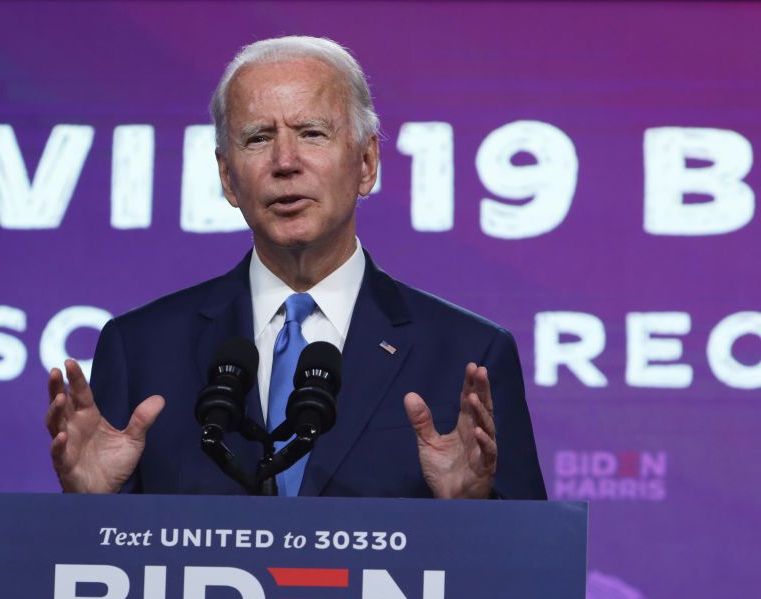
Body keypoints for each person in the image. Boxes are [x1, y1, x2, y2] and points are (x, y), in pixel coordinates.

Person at [45, 36, 546, 500]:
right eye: (258, 138)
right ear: (227, 177)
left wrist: (475, 512)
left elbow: (526, 569)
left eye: (311, 133)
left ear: (367, 163)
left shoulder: (466, 355)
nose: (285, 161)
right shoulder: (141, 350)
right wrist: (90, 507)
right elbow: (94, 574)